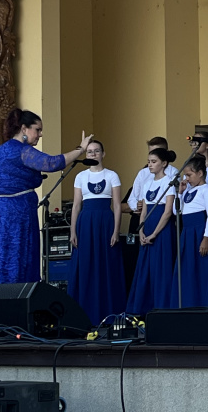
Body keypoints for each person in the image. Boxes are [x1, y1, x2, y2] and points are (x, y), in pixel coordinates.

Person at [0, 109, 91, 285]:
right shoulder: (22, 151)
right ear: (23, 129)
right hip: (16, 214)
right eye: (37, 129)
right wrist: (80, 149)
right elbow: (53, 163)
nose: (40, 134)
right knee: (17, 257)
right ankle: (14, 301)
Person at [69, 140, 126, 325]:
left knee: (106, 266)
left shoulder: (112, 175)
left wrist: (116, 231)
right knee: (85, 266)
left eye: (96, 151)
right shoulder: (80, 176)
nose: (92, 154)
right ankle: (84, 315)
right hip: (86, 223)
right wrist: (73, 231)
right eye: (89, 151)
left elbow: (117, 205)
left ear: (103, 153)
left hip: (105, 222)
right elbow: (76, 205)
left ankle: (109, 314)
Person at [125, 148, 178, 315]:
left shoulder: (169, 182)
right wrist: (141, 231)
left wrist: (154, 234)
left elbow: (168, 211)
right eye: (149, 161)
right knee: (145, 268)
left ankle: (163, 307)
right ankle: (142, 307)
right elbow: (144, 211)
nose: (150, 165)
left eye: (154, 161)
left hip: (161, 229)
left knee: (161, 267)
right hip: (147, 227)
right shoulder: (147, 184)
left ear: (164, 163)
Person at [170, 155, 208, 308]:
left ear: (200, 173)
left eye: (189, 175)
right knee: (187, 270)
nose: (186, 179)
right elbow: (177, 212)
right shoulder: (188, 192)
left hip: (199, 232)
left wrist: (206, 237)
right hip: (187, 234)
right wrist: (181, 193)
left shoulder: (207, 190)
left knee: (201, 270)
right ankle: (187, 303)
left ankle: (203, 304)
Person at [123, 137, 178, 231]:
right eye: (151, 153)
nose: (153, 155)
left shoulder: (173, 173)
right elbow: (132, 198)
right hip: (142, 216)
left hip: (162, 217)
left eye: (157, 152)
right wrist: (137, 206)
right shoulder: (143, 173)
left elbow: (174, 199)